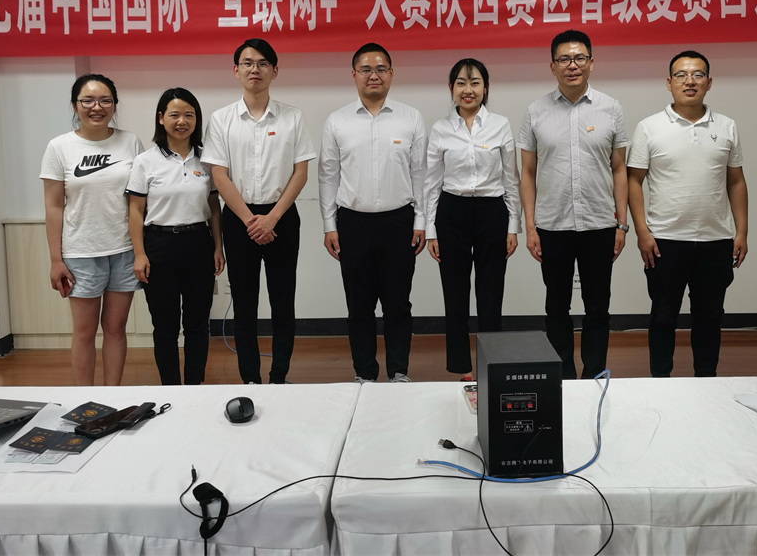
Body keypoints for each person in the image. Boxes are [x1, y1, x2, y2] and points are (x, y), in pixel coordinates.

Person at [627, 50, 749, 378]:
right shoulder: (649, 127)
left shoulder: (727, 126)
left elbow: (736, 181)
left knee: (709, 317)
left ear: (709, 82)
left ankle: (706, 382)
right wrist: (642, 232)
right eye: (681, 75)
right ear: (669, 83)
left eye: (697, 74)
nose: (689, 81)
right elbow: (634, 181)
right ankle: (660, 382)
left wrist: (741, 232)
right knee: (663, 316)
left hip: (716, 240)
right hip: (664, 241)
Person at [203, 39, 316, 384]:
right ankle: (250, 378)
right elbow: (219, 176)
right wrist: (251, 221)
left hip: (282, 218)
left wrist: (272, 218)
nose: (255, 69)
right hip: (240, 220)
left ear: (275, 71)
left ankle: (279, 376)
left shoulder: (293, 117)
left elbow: (300, 173)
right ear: (236, 70)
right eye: (248, 63)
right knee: (244, 304)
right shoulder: (221, 120)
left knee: (283, 303)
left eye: (263, 63)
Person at [518, 30, 629, 380]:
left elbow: (620, 169)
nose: (572, 65)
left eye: (579, 58)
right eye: (564, 59)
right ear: (552, 66)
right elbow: (527, 172)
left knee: (598, 306)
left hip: (599, 223)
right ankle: (562, 374)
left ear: (591, 63)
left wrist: (621, 224)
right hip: (553, 225)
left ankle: (594, 373)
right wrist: (530, 226)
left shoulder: (611, 108)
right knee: (556, 306)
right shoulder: (535, 112)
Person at [319, 43, 427, 383]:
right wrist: (329, 225)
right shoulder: (337, 121)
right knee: (359, 306)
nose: (373, 75)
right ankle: (365, 373)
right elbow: (328, 176)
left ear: (391, 74)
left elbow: (421, 174)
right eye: (365, 69)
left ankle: (398, 372)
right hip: (353, 223)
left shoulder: (411, 118)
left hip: (400, 221)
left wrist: (421, 221)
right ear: (354, 75)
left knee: (398, 304)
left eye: (381, 69)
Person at [41, 74, 144, 386]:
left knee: (115, 328)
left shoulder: (131, 142)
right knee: (84, 332)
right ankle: (85, 398)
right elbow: (53, 206)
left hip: (124, 250)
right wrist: (56, 260)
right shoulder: (59, 147)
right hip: (81, 252)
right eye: (87, 100)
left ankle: (113, 396)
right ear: (75, 105)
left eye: (105, 100)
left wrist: (140, 250)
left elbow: (139, 200)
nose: (96, 107)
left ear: (114, 105)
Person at [424, 58, 520, 379]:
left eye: (475, 82)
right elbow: (431, 182)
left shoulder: (500, 125)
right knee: (455, 293)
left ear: (486, 88)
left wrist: (513, 226)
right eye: (461, 83)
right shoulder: (440, 128)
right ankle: (459, 367)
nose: (468, 90)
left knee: (491, 293)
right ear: (451, 88)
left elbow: (511, 179)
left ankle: (490, 365)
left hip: (492, 212)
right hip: (451, 212)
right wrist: (431, 230)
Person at [126, 88, 225, 386]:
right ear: (161, 118)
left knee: (198, 324)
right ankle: (171, 388)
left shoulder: (207, 159)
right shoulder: (145, 161)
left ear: (197, 119)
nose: (182, 121)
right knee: (165, 327)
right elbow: (135, 211)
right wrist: (140, 254)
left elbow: (214, 207)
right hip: (159, 246)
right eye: (174, 115)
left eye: (189, 115)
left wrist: (218, 247)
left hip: (199, 244)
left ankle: (195, 386)